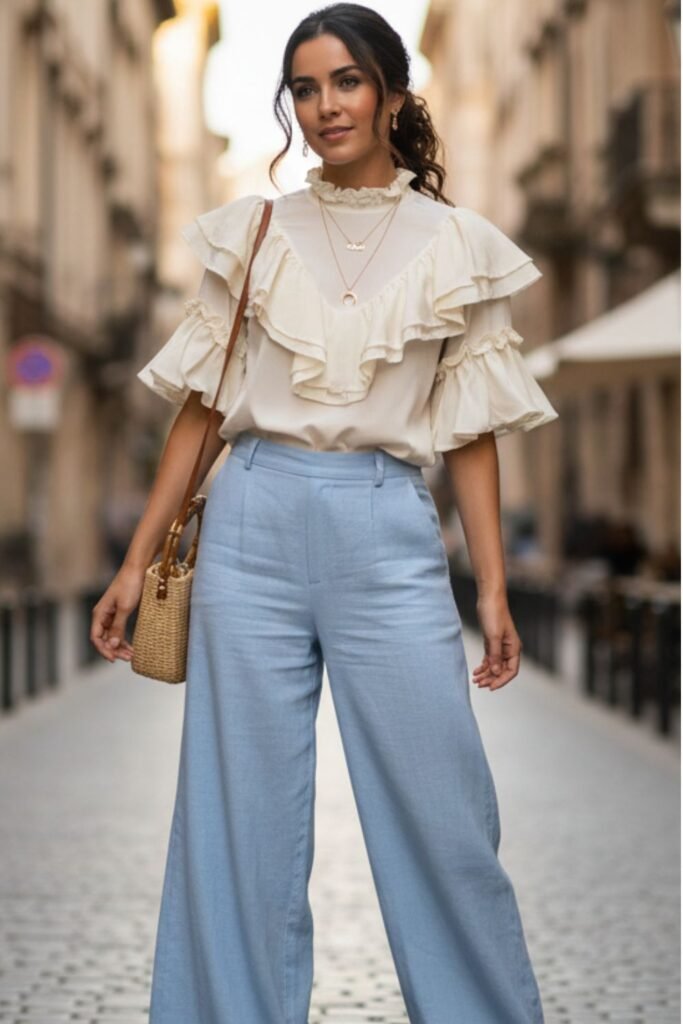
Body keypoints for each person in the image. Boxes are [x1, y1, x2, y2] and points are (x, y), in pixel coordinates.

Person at [91, 4, 559, 1021]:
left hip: (388, 529)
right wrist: (134, 564)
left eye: (344, 81)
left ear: (391, 91)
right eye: (303, 89)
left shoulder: (455, 244)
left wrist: (490, 591)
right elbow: (202, 411)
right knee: (237, 817)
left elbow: (469, 432)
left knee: (442, 814)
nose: (324, 106)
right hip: (250, 521)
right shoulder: (253, 231)